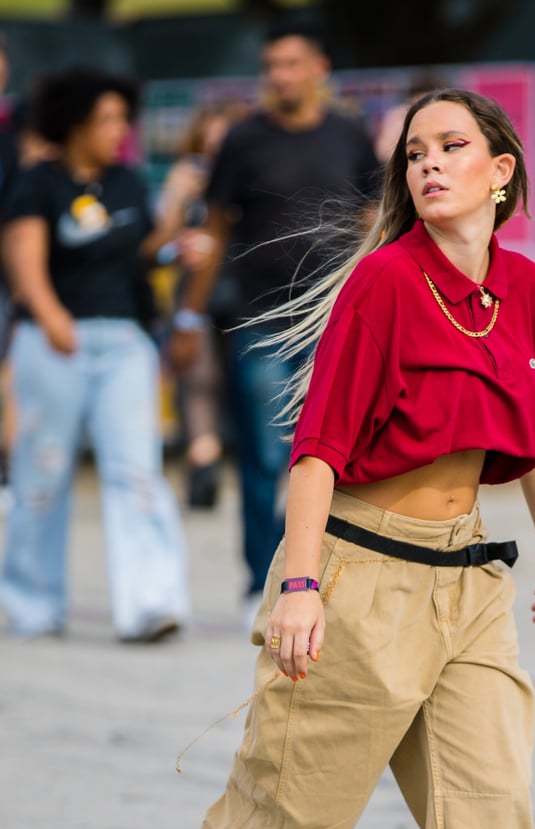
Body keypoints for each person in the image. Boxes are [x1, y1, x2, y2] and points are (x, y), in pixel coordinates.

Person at [102, 87, 535, 829]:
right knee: (289, 828)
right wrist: (299, 583)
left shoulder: (523, 286)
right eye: (413, 153)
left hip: (471, 585)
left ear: (502, 169)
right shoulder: (384, 283)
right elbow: (319, 447)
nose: (428, 165)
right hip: (361, 575)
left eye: (452, 146)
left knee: (487, 823)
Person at [169, 22, 380, 622]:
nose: (280, 76)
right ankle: (260, 582)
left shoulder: (349, 136)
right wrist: (187, 315)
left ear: (320, 68)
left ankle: (325, 579)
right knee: (266, 456)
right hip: (260, 318)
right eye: (271, 66)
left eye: (291, 64)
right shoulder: (242, 140)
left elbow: (371, 222)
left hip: (336, 322)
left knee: (340, 456)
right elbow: (213, 229)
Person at [0, 67, 191, 641]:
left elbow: (147, 254)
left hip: (125, 341)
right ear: (75, 123)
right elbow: (22, 259)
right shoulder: (38, 183)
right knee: (43, 471)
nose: (118, 130)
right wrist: (50, 315)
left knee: (137, 472)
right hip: (56, 340)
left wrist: (179, 231)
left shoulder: (129, 182)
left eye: (121, 119)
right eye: (105, 119)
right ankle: (34, 603)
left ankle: (149, 604)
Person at [158, 101, 249, 509]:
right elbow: (157, 245)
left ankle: (244, 461)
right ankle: (203, 462)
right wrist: (179, 227)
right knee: (198, 378)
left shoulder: (250, 175)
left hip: (243, 290)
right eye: (209, 140)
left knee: (247, 380)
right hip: (195, 290)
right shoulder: (185, 178)